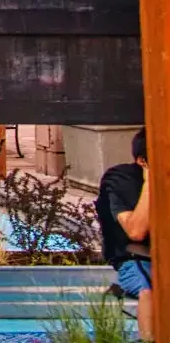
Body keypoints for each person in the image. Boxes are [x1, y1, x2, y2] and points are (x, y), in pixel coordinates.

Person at [97, 128, 152, 339]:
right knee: (150, 291)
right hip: (137, 260)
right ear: (142, 161)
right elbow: (136, 231)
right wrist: (150, 183)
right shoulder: (121, 180)